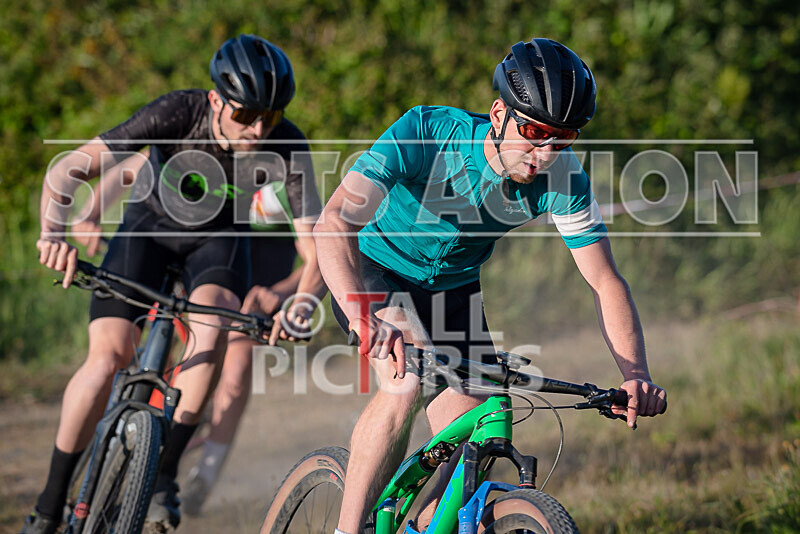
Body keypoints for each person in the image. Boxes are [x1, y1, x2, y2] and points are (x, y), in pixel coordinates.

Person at [312, 38, 668, 533]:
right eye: (535, 131)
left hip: (454, 294)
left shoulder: (564, 179)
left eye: (561, 140)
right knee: (406, 380)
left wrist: (635, 374)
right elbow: (334, 222)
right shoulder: (427, 132)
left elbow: (605, 281)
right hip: (376, 273)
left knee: (474, 427)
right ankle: (346, 529)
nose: (544, 154)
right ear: (499, 113)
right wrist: (359, 312)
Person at [25, 34, 325, 534]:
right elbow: (69, 169)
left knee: (212, 331)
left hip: (219, 243)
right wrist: (53, 232)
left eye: (269, 118)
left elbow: (316, 246)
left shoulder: (287, 145)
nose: (257, 129)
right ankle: (50, 502)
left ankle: (164, 473)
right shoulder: (176, 112)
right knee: (106, 360)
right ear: (215, 100)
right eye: (246, 115)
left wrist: (300, 303)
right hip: (149, 231)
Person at [70, 153, 309, 515]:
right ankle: (121, 428)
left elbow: (312, 257)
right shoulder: (203, 150)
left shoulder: (275, 187)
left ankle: (204, 476)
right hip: (189, 259)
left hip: (248, 276)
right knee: (142, 339)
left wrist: (280, 292)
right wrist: (91, 212)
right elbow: (131, 167)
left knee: (238, 362)